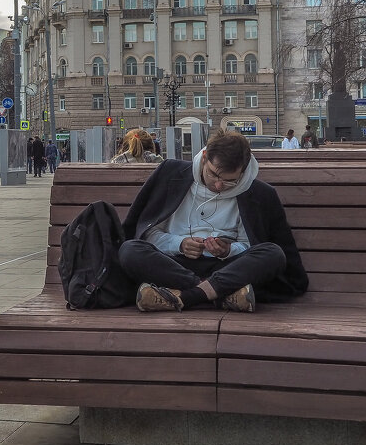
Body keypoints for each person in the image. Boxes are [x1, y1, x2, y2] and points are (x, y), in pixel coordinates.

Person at [118, 130, 309, 313]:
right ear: (204, 157)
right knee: (130, 250)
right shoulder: (171, 174)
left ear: (242, 172)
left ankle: (185, 297)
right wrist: (180, 244)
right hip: (174, 265)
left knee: (273, 253)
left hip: (227, 268)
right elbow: (148, 235)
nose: (219, 185)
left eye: (230, 181)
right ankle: (221, 294)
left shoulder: (258, 193)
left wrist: (228, 251)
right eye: (214, 174)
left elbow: (252, 246)